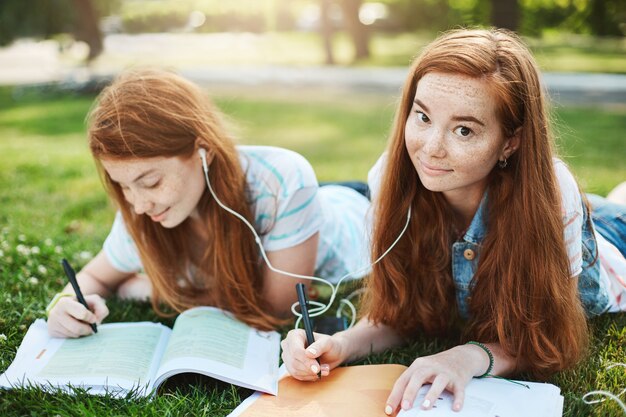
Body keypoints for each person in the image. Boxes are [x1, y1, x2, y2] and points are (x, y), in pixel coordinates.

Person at [280, 28, 626, 414]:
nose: (431, 148)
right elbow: (402, 317)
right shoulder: (390, 178)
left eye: (464, 130)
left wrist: (467, 357)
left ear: (510, 142)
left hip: (612, 242)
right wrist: (340, 344)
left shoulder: (551, 194)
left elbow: (547, 339)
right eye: (423, 116)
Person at [46, 68, 371, 338]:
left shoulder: (285, 181)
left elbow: (276, 308)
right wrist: (63, 304)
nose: (138, 206)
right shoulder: (145, 208)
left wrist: (151, 289)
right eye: (123, 186)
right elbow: (96, 278)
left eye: (151, 182)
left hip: (357, 208)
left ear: (204, 150)